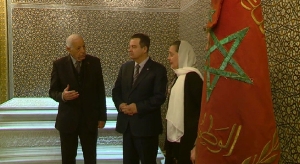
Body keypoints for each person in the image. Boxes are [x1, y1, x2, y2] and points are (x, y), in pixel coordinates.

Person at [49, 34, 107, 164]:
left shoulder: (94, 63)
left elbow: (100, 91)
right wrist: (63, 96)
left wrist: (102, 116)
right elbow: (52, 91)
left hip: (89, 120)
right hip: (68, 120)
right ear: (68, 49)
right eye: (78, 48)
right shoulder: (59, 65)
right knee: (68, 158)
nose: (83, 51)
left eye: (84, 46)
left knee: (90, 157)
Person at [112, 33, 168, 164]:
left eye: (133, 47)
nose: (129, 49)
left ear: (144, 49)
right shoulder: (125, 67)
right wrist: (120, 105)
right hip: (127, 126)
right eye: (129, 46)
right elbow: (116, 91)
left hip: (146, 128)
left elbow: (159, 97)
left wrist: (137, 107)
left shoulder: (158, 70)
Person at [165, 40, 203, 164]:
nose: (168, 58)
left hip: (189, 138)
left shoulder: (193, 78)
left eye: (171, 54)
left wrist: (197, 143)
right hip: (176, 140)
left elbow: (201, 110)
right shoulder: (178, 76)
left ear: (182, 54)